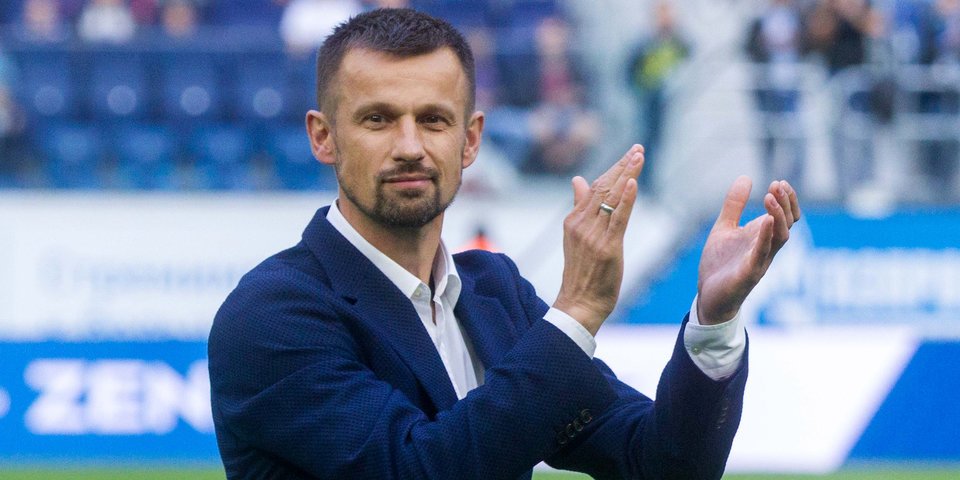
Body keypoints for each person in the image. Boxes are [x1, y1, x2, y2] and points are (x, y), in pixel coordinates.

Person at [208, 8, 802, 480]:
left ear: (470, 141)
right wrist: (576, 312)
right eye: (378, 119)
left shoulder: (496, 295)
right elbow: (419, 468)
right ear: (323, 137)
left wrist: (714, 322)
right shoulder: (272, 315)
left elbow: (659, 463)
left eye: (434, 120)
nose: (410, 146)